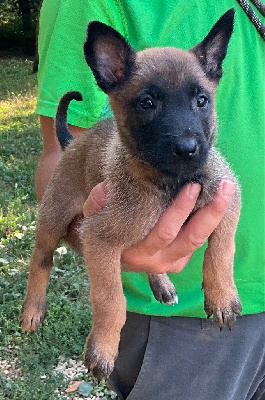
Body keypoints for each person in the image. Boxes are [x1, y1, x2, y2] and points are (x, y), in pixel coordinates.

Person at [35, 1, 265, 399]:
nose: (188, 138)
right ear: (112, 74)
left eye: (199, 101)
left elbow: (231, 194)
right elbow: (60, 161)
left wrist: (219, 269)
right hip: (180, 328)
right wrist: (95, 242)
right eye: (148, 103)